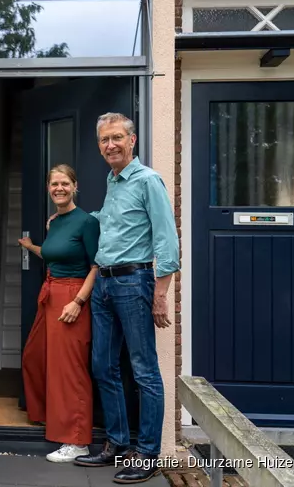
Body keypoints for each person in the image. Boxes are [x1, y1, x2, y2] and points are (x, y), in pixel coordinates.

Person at [72, 113, 179, 484]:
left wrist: (161, 294)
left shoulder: (148, 181)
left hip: (135, 283)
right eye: (104, 140)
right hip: (103, 283)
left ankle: (148, 453)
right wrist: (74, 217)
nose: (110, 145)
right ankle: (116, 444)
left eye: (117, 137)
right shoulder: (113, 181)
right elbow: (115, 220)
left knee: (144, 370)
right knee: (103, 365)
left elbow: (167, 239)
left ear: (132, 140)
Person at [18, 164, 100, 463]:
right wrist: (31, 247)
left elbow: (95, 266)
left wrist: (78, 302)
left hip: (72, 297)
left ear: (74, 186)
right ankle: (51, 417)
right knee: (34, 357)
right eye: (54, 184)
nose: (59, 188)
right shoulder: (55, 222)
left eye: (64, 183)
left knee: (71, 370)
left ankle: (76, 441)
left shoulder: (86, 222)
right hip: (50, 294)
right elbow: (54, 254)